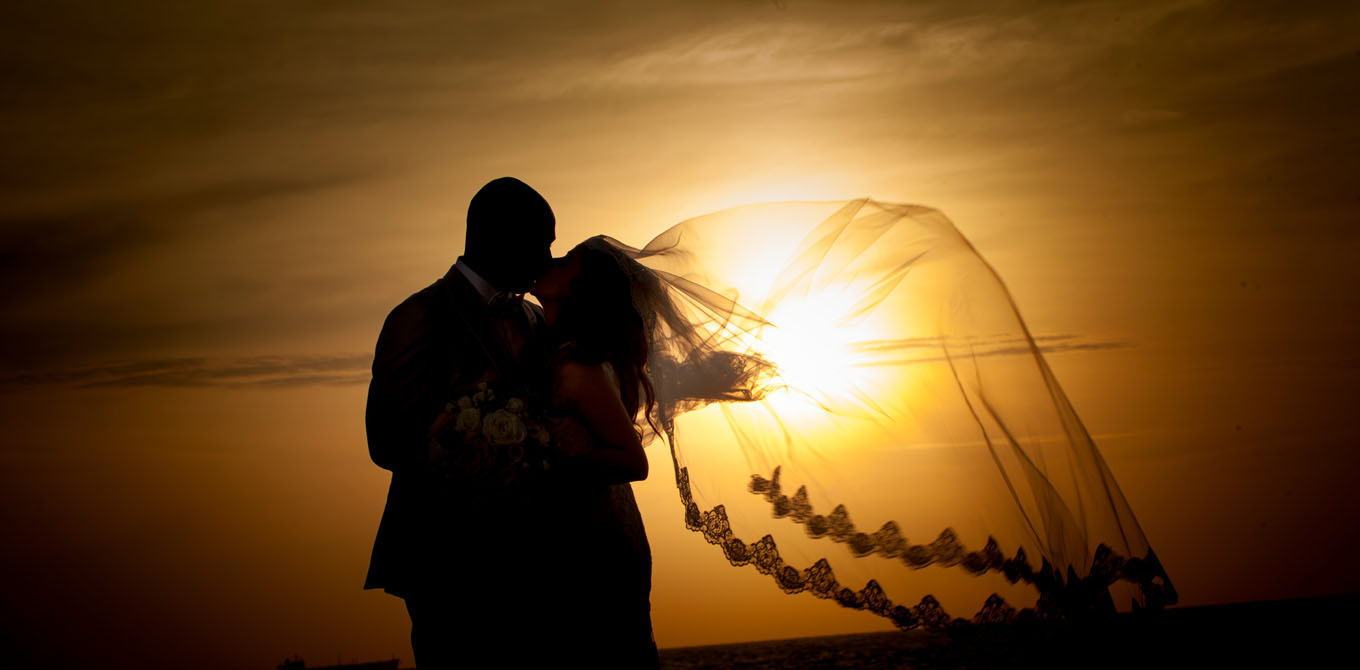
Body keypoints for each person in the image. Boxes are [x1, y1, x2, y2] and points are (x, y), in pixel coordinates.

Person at [363, 177, 556, 669]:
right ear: (499, 237)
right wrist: (492, 448)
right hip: (445, 557)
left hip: (533, 560)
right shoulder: (418, 316)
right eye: (542, 243)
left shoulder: (535, 320)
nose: (547, 260)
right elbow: (388, 440)